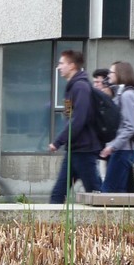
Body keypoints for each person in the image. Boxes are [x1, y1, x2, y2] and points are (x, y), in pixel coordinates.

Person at [48, 49, 102, 202]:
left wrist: (58, 142)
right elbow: (71, 116)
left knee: (95, 193)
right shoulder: (73, 87)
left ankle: (108, 222)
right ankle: (53, 224)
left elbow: (78, 119)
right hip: (75, 149)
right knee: (58, 194)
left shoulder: (80, 87)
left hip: (84, 150)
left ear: (72, 66)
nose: (59, 67)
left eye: (61, 63)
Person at [100, 61, 134, 194]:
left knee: (109, 192)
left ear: (120, 74)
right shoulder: (120, 94)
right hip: (120, 150)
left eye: (111, 72)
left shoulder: (128, 95)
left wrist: (112, 146)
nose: (108, 75)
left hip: (123, 151)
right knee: (122, 193)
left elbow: (130, 126)